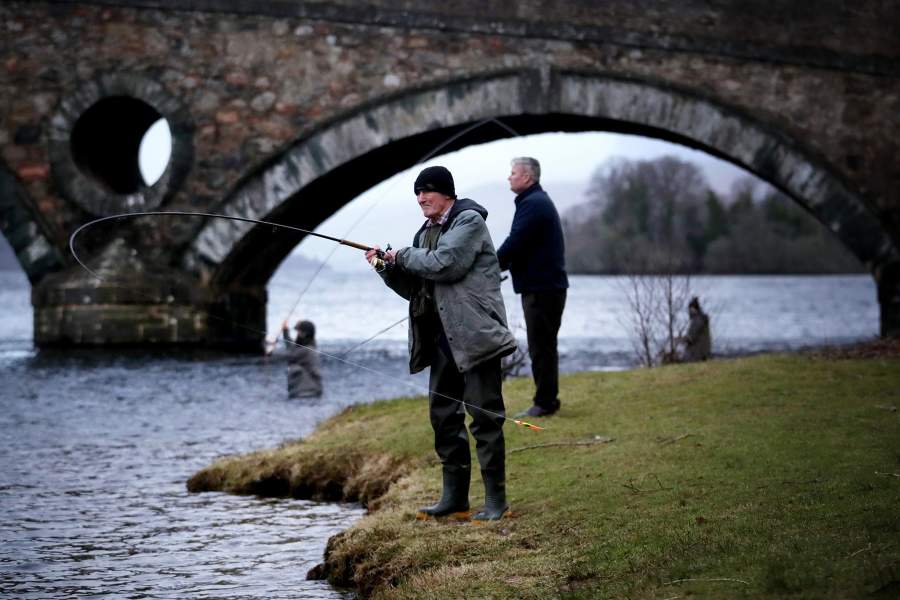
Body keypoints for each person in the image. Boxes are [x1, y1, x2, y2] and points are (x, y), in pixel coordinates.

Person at [365, 165, 517, 522]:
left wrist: (402, 255)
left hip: (475, 336)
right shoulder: (423, 234)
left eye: (427, 192)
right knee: (443, 418)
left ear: (447, 192)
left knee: (484, 418)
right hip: (440, 341)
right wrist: (386, 268)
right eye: (417, 193)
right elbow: (417, 288)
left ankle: (497, 502)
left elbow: (446, 264)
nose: (421, 199)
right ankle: (455, 500)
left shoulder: (469, 222)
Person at [496, 157, 568, 418]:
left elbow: (515, 242)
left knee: (541, 346)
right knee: (545, 345)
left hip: (543, 288)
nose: (509, 177)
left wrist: (490, 267)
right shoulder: (534, 202)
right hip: (547, 287)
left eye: (513, 173)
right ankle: (547, 399)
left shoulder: (533, 204)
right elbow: (521, 245)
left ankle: (545, 402)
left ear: (527, 177)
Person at [282, 319, 324, 398]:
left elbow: (289, 354)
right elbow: (293, 348)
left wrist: (268, 351)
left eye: (298, 331)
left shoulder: (306, 351)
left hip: (307, 393)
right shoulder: (309, 348)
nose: (297, 334)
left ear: (304, 334)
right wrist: (285, 331)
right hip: (307, 392)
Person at [681, 297, 711, 362]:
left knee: (684, 357)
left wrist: (680, 340)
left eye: (689, 309)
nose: (688, 312)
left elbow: (690, 338)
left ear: (693, 309)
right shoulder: (702, 318)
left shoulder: (697, 320)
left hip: (697, 352)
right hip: (704, 350)